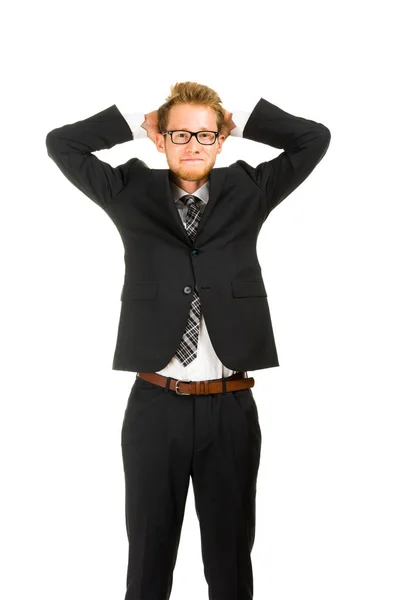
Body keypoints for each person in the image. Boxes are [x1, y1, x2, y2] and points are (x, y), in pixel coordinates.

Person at [46, 81, 331, 600]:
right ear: (161, 139)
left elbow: (313, 138)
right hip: (156, 404)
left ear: (222, 139)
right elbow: (62, 143)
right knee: (149, 559)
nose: (193, 144)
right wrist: (142, 119)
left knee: (230, 560)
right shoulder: (127, 191)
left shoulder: (251, 190)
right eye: (180, 133)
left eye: (206, 134)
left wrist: (231, 117)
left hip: (231, 405)